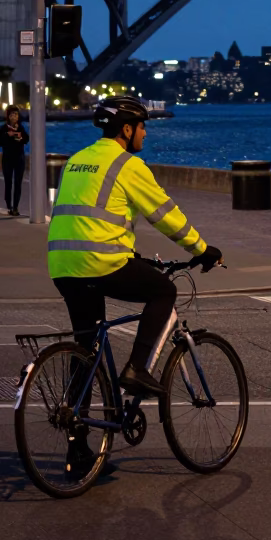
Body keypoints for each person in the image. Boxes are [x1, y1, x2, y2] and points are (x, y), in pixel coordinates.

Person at [48, 94, 223, 402]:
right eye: (142, 126)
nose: (145, 132)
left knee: (86, 349)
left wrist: (130, 255)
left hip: (62, 265)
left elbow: (89, 220)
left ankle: (76, 437)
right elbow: (165, 215)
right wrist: (201, 248)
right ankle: (137, 368)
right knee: (163, 292)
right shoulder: (126, 164)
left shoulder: (75, 161)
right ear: (126, 130)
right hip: (101, 262)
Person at [0, 105, 28, 216]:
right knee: (8, 183)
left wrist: (20, 137)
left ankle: (16, 207)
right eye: (12, 115)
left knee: (18, 183)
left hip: (19, 158)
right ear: (8, 116)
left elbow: (26, 139)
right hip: (7, 159)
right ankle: (9, 205)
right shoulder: (3, 129)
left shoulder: (21, 128)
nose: (14, 117)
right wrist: (7, 135)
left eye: (16, 114)